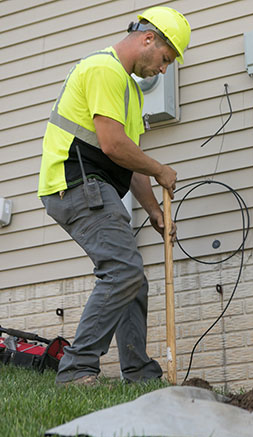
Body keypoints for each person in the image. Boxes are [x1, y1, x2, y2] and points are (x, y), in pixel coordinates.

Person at [38, 6, 191, 386]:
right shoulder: (103, 69)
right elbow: (112, 145)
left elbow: (128, 161)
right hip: (74, 183)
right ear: (148, 39)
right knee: (122, 272)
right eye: (166, 59)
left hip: (95, 184)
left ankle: (138, 373)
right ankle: (75, 369)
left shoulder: (130, 92)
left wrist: (155, 212)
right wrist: (161, 170)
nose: (164, 69)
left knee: (132, 279)